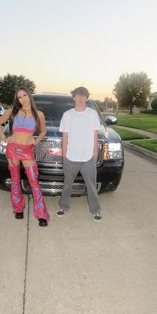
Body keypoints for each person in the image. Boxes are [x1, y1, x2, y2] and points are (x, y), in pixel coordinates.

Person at [0, 87, 50, 227]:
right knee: (15, 180)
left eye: (24, 95)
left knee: (34, 181)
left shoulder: (39, 114)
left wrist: (36, 141)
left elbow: (43, 131)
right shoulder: (12, 111)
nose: (23, 99)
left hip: (27, 150)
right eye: (19, 97)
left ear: (29, 96)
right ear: (17, 99)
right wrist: (3, 137)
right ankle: (18, 209)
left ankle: (41, 214)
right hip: (12, 149)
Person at [57, 86, 102, 221]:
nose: (80, 98)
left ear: (87, 98)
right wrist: (64, 156)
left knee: (91, 187)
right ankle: (63, 206)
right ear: (74, 97)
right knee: (67, 185)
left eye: (83, 96)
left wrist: (94, 154)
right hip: (70, 157)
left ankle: (96, 210)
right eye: (78, 95)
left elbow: (95, 135)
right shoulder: (67, 115)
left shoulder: (92, 114)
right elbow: (65, 137)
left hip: (88, 158)